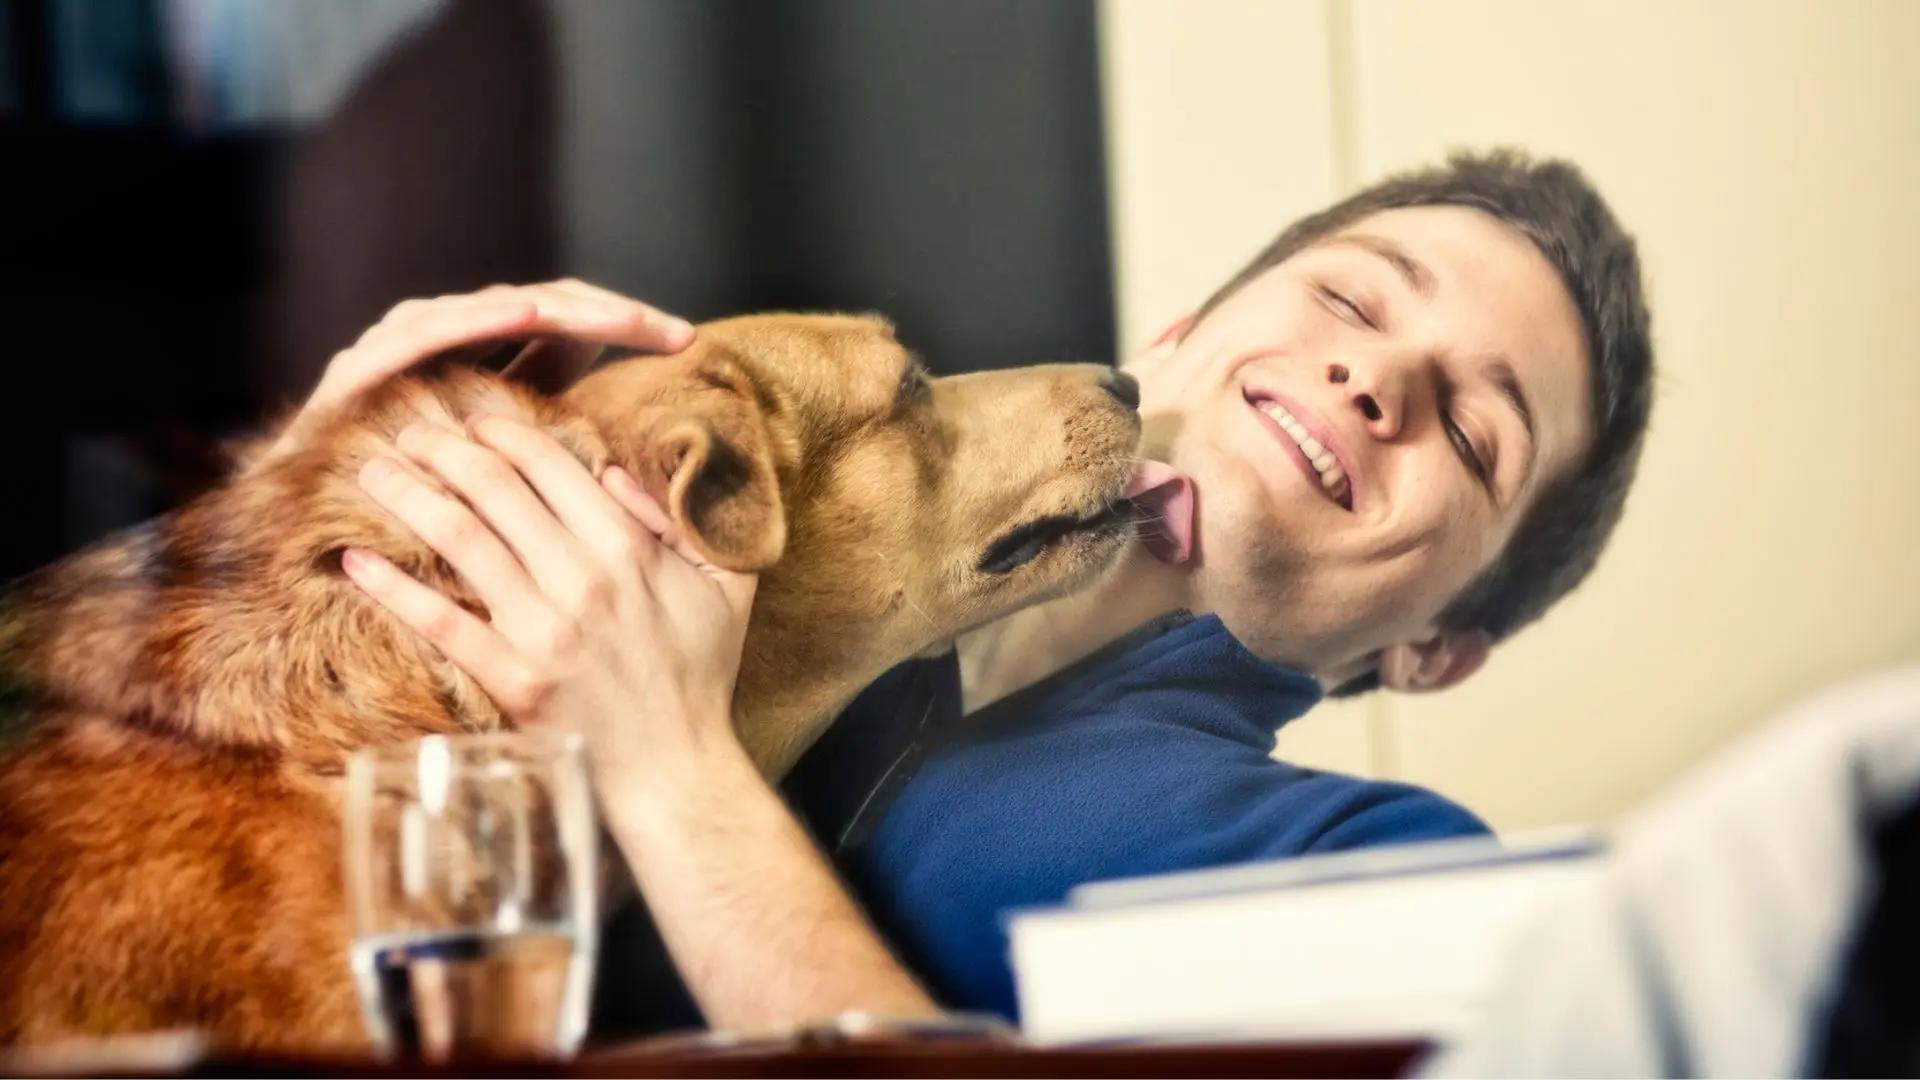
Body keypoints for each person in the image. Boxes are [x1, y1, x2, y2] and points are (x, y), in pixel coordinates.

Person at [322, 150, 1654, 1031]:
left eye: (1480, 438)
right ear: (1176, 336)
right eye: (1353, 301)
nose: (1380, 382)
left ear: (1437, 651)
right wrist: (308, 521)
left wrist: (668, 770)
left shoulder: (1394, 882)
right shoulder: (685, 568)